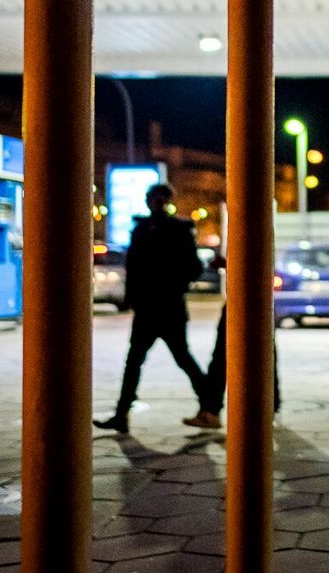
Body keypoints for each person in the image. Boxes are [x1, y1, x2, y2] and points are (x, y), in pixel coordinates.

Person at [93, 183, 208, 434]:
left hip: (166, 306)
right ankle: (122, 414)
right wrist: (131, 298)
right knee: (139, 360)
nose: (156, 203)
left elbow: (194, 267)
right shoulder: (143, 229)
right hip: (152, 307)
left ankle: (208, 405)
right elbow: (133, 268)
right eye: (153, 198)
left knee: (177, 357)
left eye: (160, 198)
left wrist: (171, 282)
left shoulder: (175, 230)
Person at [185, 300, 280, 429]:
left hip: (240, 300)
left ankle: (210, 409)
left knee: (223, 356)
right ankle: (268, 407)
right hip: (258, 301)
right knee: (263, 354)